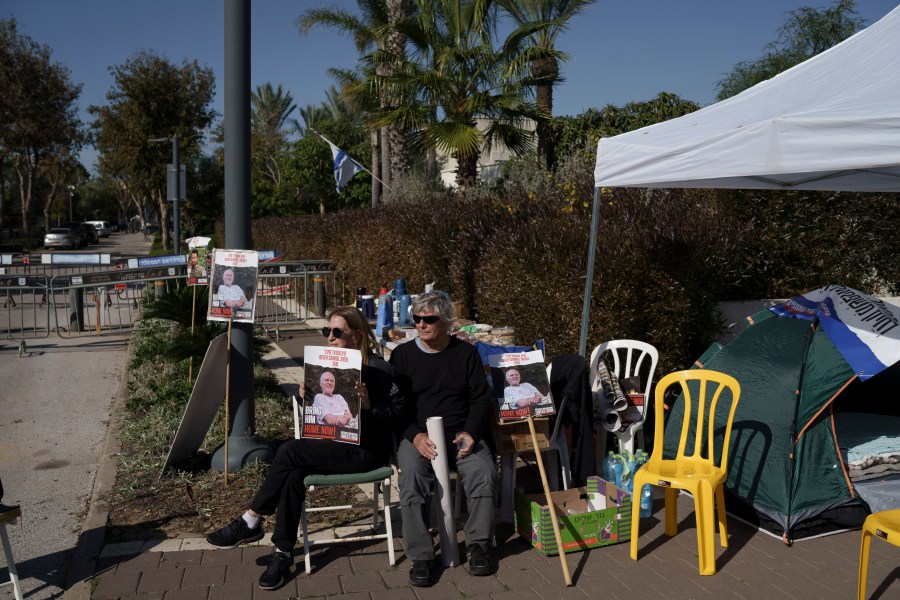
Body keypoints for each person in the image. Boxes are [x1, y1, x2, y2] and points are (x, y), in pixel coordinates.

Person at [205, 306, 404, 591]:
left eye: (338, 332)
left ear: (357, 334)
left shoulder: (380, 369)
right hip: (333, 446)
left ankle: (251, 520)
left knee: (289, 451)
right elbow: (320, 416)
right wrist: (305, 397)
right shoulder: (326, 366)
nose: (330, 337)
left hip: (366, 451)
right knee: (293, 473)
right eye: (327, 331)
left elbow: (399, 413)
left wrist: (370, 405)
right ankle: (282, 553)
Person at [390, 291, 498, 587]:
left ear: (447, 322)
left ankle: (478, 544)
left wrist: (471, 432)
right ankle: (421, 555)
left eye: (429, 319)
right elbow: (396, 408)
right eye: (417, 319)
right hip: (419, 436)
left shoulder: (465, 354)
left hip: (460, 433)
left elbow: (480, 400)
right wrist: (414, 436)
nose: (421, 325)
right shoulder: (402, 355)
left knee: (483, 472)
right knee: (411, 477)